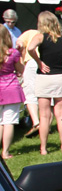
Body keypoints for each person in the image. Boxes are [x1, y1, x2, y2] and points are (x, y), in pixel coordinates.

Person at [27, 11, 62, 155]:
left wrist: (39, 62)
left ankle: (43, 148)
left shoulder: (40, 37)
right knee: (61, 115)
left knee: (44, 116)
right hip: (60, 77)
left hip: (44, 78)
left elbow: (30, 48)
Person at [0, 26, 25, 159]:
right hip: (11, 89)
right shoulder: (13, 53)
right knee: (9, 121)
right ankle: (5, 152)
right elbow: (21, 69)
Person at [15, 28, 41, 137]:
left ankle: (36, 123)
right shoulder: (53, 35)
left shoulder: (29, 33)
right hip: (47, 62)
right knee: (47, 94)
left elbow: (19, 45)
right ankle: (47, 124)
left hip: (32, 62)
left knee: (29, 93)